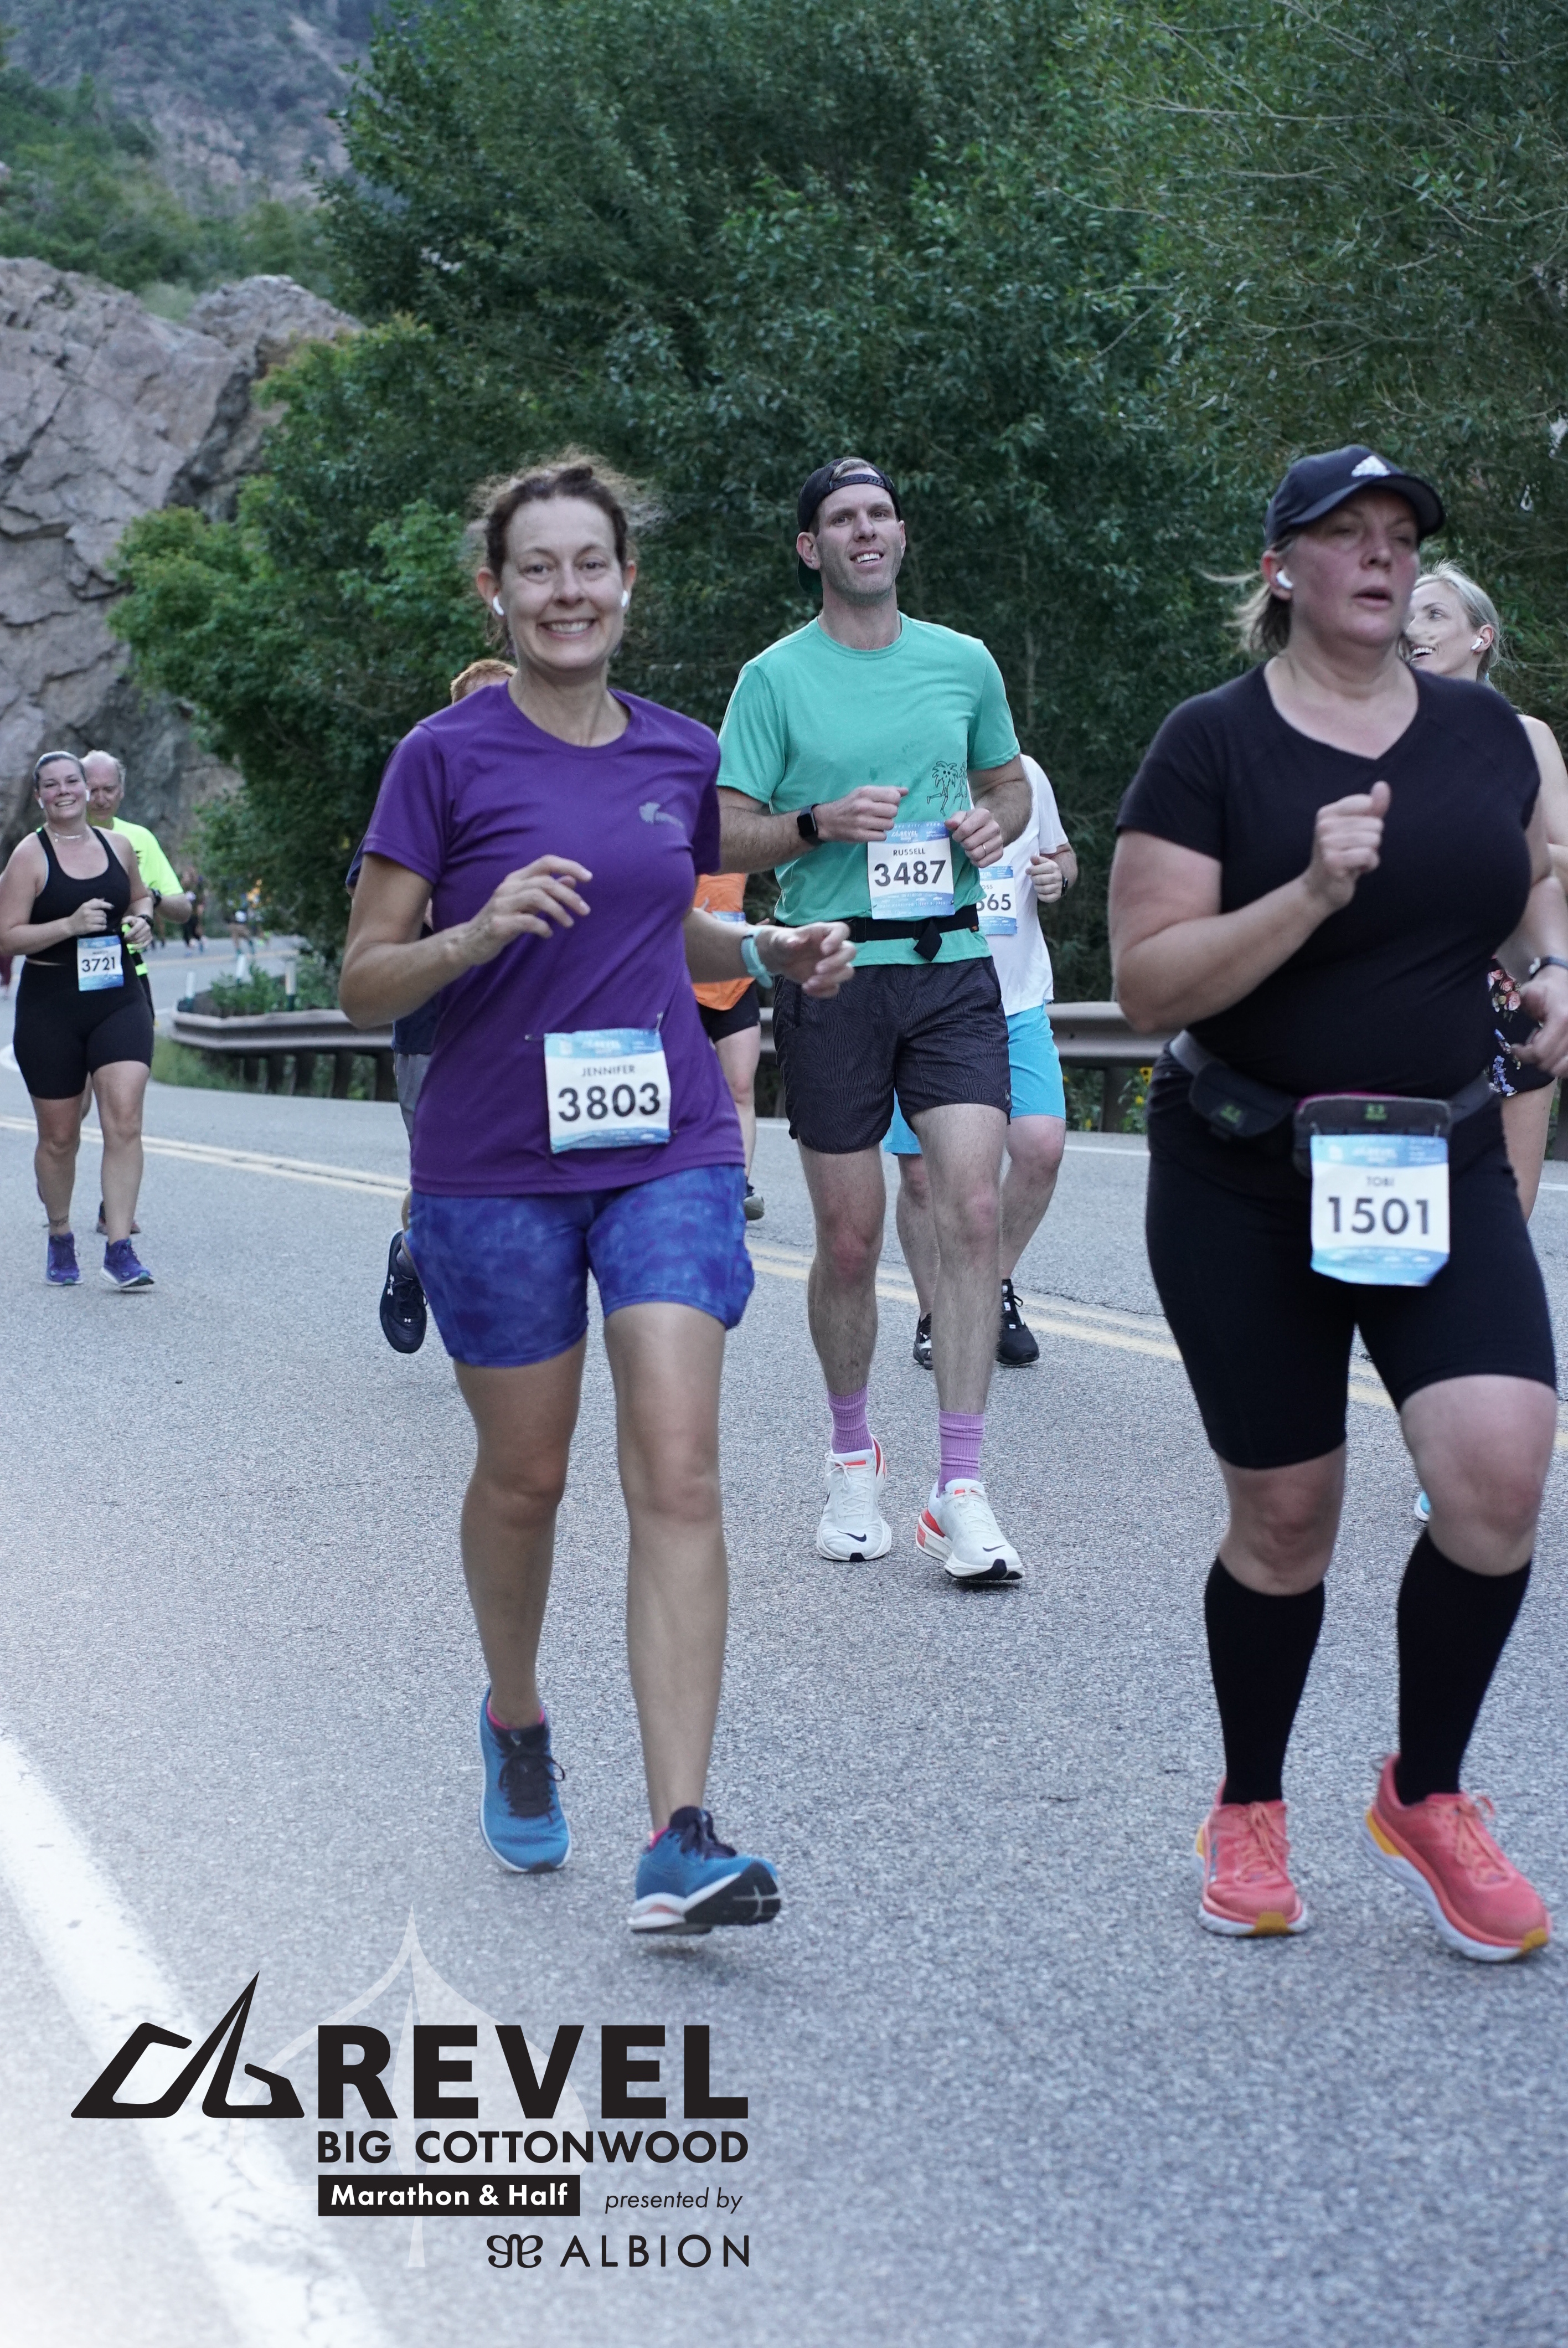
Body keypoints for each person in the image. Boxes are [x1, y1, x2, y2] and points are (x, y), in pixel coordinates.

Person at [339, 451, 853, 1933]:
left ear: (628, 583)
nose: (567, 591)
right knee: (529, 1477)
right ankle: (515, 1714)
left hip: (665, 1145)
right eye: (538, 567)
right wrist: (474, 932)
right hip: (494, 1162)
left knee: (679, 1466)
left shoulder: (679, 755)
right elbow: (364, 978)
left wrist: (765, 951)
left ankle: (680, 1831)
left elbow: (665, 931)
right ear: (495, 592)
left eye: (591, 564)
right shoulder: (444, 758)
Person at [1111, 444, 1563, 1961]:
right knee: (1287, 1516)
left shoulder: (1485, 734)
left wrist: (1554, 971)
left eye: (1398, 535)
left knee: (1496, 1473)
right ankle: (1248, 1801)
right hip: (1242, 1170)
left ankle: (1425, 1793)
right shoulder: (1210, 745)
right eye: (1344, 533)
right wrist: (1306, 892)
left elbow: (1527, 882)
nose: (1379, 555)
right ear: (1279, 568)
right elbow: (1145, 984)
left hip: (1436, 1158)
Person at [716, 455, 1032, 1584]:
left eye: (882, 514)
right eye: (844, 519)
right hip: (833, 971)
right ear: (812, 548)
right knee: (848, 1238)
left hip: (951, 963)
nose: (867, 531)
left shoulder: (963, 660)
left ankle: (962, 1489)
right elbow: (724, 830)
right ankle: (854, 1460)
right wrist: (815, 823)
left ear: (900, 535)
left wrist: (996, 824)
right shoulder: (773, 679)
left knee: (972, 1209)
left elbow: (1007, 784)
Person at [886, 753, 1075, 1368]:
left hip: (1014, 1001)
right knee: (922, 1173)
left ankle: (987, 1289)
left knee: (1041, 1146)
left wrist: (1057, 877)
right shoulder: (900, 765)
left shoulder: (1025, 774)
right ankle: (935, 1314)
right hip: (921, 998)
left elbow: (1062, 855)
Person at [1403, 564, 1568, 1217]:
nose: (1414, 629)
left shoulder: (1525, 736)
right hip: (1402, 989)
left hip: (1509, 985)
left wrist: (1486, 843)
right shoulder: (1377, 736)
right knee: (1401, 1213)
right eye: (1407, 617)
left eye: (1434, 614)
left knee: (1504, 1215)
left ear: (1482, 636)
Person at [374, 657, 518, 1356]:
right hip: (436, 1026)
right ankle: (413, 1257)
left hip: (530, 1024)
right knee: (449, 1183)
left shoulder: (555, 791)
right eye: (480, 707)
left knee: (519, 1183)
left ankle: (499, 1318)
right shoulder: (422, 790)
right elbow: (391, 908)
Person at [0, 751, 156, 1287]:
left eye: (73, 781)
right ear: (39, 796)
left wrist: (142, 920)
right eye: (52, 784)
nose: (64, 790)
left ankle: (120, 1248)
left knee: (125, 1118)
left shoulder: (117, 846)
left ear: (89, 789)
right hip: (51, 1004)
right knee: (60, 1137)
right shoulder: (29, 856)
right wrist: (67, 925)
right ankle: (60, 1233)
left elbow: (139, 897)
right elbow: (6, 936)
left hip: (117, 994)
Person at [82, 750, 193, 1233]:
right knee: (73, 1108)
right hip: (67, 981)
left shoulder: (139, 839)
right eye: (91, 788)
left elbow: (183, 908)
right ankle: (57, 1161)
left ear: (122, 791)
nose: (99, 798)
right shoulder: (48, 840)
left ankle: (113, 1208)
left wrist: (151, 897)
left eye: (108, 789)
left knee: (123, 1105)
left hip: (128, 976)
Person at [690, 868, 766, 1221]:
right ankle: (675, 1179)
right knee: (679, 1089)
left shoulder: (743, 844)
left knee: (741, 1088)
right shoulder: (677, 835)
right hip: (685, 974)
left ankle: (739, 1186)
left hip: (734, 976)